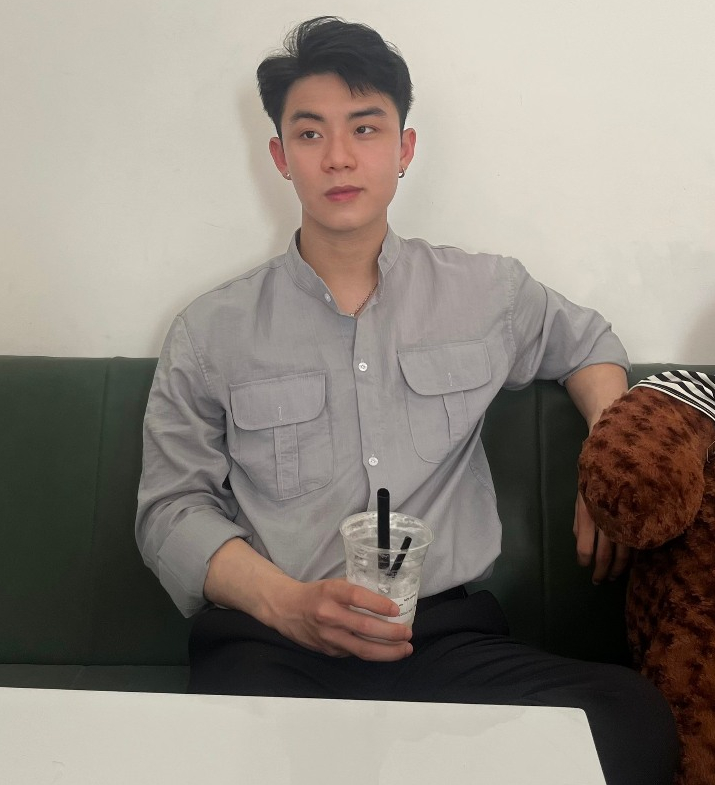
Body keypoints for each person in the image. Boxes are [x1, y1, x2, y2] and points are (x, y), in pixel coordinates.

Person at [136, 16, 678, 784]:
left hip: (443, 640)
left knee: (627, 716)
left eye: (364, 128)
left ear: (404, 148)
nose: (339, 156)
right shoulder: (209, 330)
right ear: (280, 157)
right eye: (310, 133)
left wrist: (607, 455)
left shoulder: (484, 292)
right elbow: (170, 509)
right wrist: (287, 604)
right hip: (273, 645)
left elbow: (589, 346)